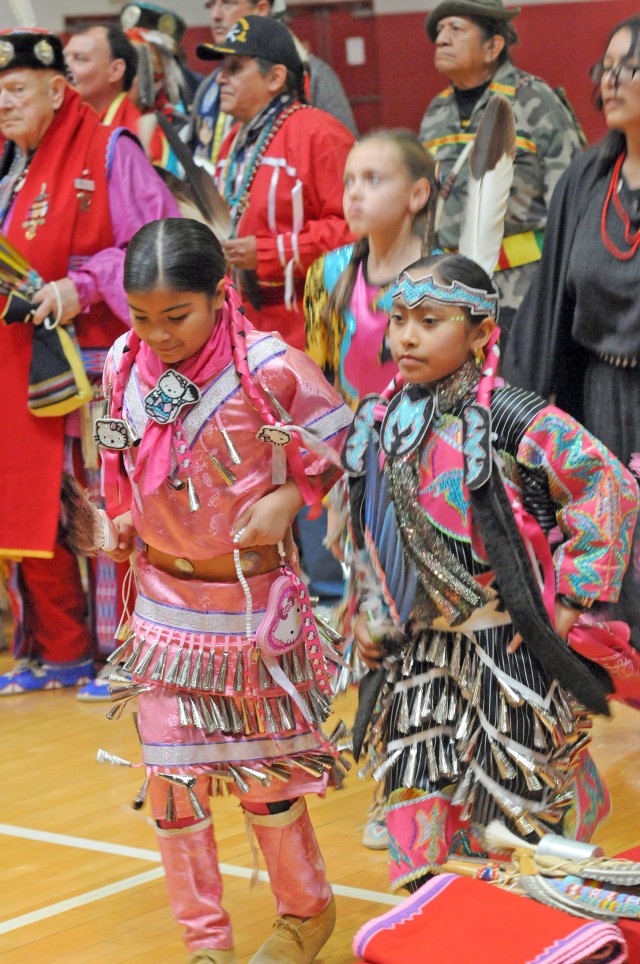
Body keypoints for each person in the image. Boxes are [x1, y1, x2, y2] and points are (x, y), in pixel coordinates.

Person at [91, 217, 352, 963]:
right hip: (166, 612)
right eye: (143, 317)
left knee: (263, 780)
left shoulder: (268, 370)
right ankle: (206, 942)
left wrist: (290, 499)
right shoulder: (123, 364)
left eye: (177, 317)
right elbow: (116, 448)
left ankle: (306, 913)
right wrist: (118, 514)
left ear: (219, 296)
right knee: (173, 788)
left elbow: (339, 444)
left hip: (249, 610)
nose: (159, 334)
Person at [345, 252, 637, 892]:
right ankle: (429, 928)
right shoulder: (380, 422)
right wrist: (368, 609)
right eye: (398, 319)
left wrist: (577, 595)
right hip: (421, 652)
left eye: (430, 320)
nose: (408, 336)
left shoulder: (511, 416)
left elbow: (607, 484)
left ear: (481, 334)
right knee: (415, 801)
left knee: (515, 818)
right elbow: (367, 528)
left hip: (510, 650)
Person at [0, 29, 179, 697]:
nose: (3, 105)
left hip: (98, 365)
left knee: (106, 506)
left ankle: (128, 650)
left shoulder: (109, 149)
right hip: (17, 362)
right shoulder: (6, 162)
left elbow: (150, 240)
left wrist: (81, 285)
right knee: (29, 508)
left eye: (15, 90)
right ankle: (60, 650)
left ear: (56, 90)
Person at [304, 130, 436, 849]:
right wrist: (329, 490)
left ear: (418, 194)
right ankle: (393, 783)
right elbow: (320, 392)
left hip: (441, 480)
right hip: (362, 483)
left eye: (374, 179)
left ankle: (442, 778)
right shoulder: (327, 278)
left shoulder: (448, 277)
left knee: (435, 636)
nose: (354, 192)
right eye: (350, 178)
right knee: (373, 634)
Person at [503, 15, 640, 652]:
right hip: (601, 402)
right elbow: (549, 302)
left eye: (629, 67)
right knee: (617, 587)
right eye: (606, 68)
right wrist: (508, 412)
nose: (612, 81)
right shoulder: (587, 179)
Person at [419, 0, 584, 340]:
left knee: (517, 391)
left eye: (456, 29)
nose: (441, 39)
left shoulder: (535, 101)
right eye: (439, 31)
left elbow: (572, 199)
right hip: (453, 293)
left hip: (524, 289)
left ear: (493, 46)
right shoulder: (436, 111)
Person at [202, 15, 354, 351]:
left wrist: (269, 252)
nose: (220, 79)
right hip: (242, 326)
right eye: (222, 68)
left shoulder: (319, 133)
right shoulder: (234, 141)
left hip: (307, 330)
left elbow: (356, 230)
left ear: (274, 77)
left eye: (234, 68)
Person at [190, 0, 357, 169]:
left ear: (261, 9)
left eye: (228, 3)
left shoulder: (315, 77)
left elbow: (348, 163)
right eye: (211, 5)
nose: (215, 15)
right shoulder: (208, 88)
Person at [64, 22, 141, 132]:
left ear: (115, 70)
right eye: (64, 58)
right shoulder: (68, 121)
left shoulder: (134, 136)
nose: (64, 67)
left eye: (79, 58)